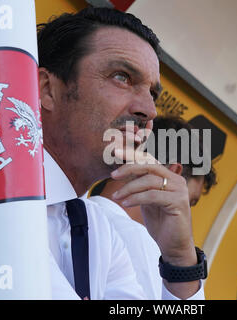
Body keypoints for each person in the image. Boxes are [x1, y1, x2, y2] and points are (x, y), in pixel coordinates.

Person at [38, 8, 206, 299]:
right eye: (122, 77)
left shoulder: (99, 228)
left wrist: (179, 261)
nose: (149, 110)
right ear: (46, 89)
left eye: (153, 93)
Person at [88, 115, 217, 299]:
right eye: (187, 203)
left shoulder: (67, 211)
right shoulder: (144, 245)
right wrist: (180, 260)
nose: (185, 216)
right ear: (172, 173)